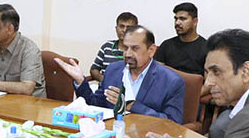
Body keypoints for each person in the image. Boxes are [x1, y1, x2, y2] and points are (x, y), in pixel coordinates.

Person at [56, 25, 184, 123]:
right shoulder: (113, 70)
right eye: (125, 47)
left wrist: (130, 105)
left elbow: (172, 122)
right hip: (112, 135)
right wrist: (80, 82)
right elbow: (95, 104)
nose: (127, 54)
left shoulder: (171, 81)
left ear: (151, 50)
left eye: (135, 48)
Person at [154, 2, 207, 76]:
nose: (177, 23)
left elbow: (209, 82)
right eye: (176, 19)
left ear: (195, 22)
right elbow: (157, 75)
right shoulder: (166, 45)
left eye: (182, 19)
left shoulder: (206, 48)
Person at [90, 12, 138, 82]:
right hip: (105, 89)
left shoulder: (139, 50)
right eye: (121, 26)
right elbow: (94, 69)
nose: (124, 30)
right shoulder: (107, 47)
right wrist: (104, 81)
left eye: (129, 27)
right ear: (116, 28)